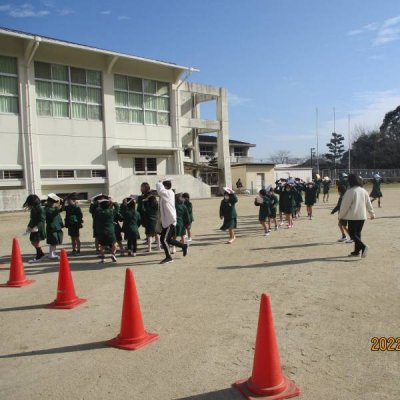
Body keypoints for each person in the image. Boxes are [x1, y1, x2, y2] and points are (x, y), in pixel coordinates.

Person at [338, 174, 375, 258]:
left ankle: (363, 246)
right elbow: (368, 203)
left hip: (353, 216)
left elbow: (345, 205)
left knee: (352, 234)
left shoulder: (350, 191)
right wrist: (372, 213)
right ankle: (356, 251)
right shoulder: (363, 190)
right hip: (362, 216)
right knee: (357, 234)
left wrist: (340, 215)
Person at [156, 177, 188, 264]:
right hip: (168, 220)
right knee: (169, 239)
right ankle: (183, 246)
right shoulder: (167, 193)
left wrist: (159, 182)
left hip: (169, 220)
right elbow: (160, 192)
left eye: (163, 185)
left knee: (163, 239)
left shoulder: (168, 193)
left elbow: (160, 191)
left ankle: (168, 257)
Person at [23, 194, 46, 263]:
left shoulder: (40, 209)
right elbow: (32, 219)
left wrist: (37, 227)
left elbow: (42, 220)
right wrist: (29, 227)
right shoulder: (33, 209)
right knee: (33, 241)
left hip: (38, 229)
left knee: (35, 241)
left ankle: (39, 255)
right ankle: (41, 254)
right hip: (33, 228)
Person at [95, 196, 117, 263]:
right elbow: (117, 208)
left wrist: (96, 203)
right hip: (110, 230)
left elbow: (93, 209)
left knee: (102, 245)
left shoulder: (98, 212)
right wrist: (113, 202)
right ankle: (113, 254)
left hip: (101, 230)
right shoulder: (111, 211)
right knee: (114, 243)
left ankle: (103, 258)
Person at [44, 193, 64, 260]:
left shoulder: (54, 208)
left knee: (56, 240)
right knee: (53, 241)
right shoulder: (47, 209)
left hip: (57, 226)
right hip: (52, 227)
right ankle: (51, 254)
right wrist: (57, 209)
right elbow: (52, 214)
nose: (54, 204)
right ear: (49, 202)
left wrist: (62, 202)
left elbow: (61, 210)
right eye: (53, 202)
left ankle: (53, 253)